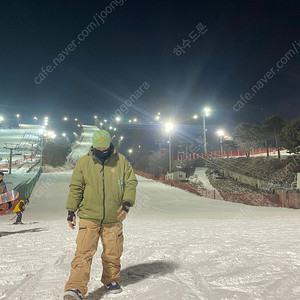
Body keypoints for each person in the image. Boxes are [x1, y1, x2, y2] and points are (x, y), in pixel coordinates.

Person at [64, 130, 138, 300]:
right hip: (89, 215)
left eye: (104, 147)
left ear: (110, 144)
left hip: (114, 216)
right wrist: (71, 210)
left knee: (113, 251)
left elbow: (131, 182)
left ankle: (111, 280)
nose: (102, 150)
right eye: (98, 147)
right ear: (93, 144)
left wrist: (127, 202)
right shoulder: (84, 163)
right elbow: (76, 187)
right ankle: (76, 287)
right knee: (83, 252)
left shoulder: (121, 161)